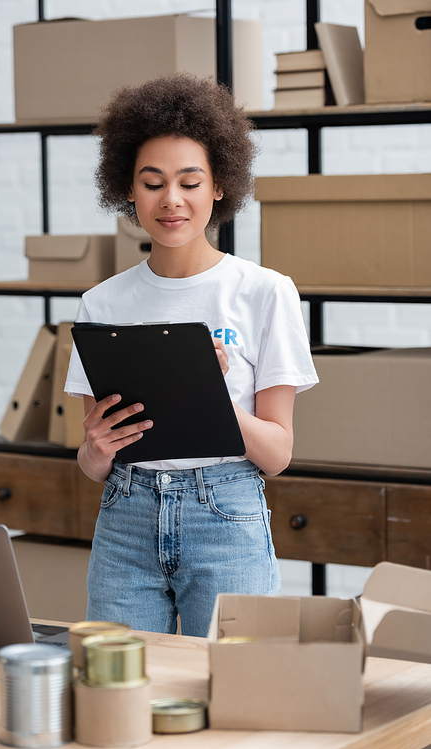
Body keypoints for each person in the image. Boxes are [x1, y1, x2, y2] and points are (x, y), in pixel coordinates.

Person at [65, 73, 318, 637]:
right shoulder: (101, 303)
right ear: (127, 190)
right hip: (125, 518)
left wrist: (208, 393)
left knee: (238, 689)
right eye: (152, 183)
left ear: (220, 185)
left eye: (189, 181)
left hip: (226, 513)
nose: (171, 200)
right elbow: (92, 462)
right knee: (121, 694)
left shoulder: (264, 292)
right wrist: (96, 448)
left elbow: (277, 454)